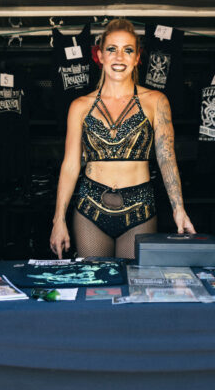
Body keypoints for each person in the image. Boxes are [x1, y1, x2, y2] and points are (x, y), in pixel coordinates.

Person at [49, 19, 195, 258]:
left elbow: (167, 159)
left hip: (140, 209)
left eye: (128, 50)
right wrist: (58, 220)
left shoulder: (155, 101)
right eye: (111, 49)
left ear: (137, 57)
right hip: (90, 209)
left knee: (133, 286)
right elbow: (70, 165)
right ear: (100, 56)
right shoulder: (80, 106)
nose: (119, 57)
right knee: (95, 284)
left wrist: (179, 210)